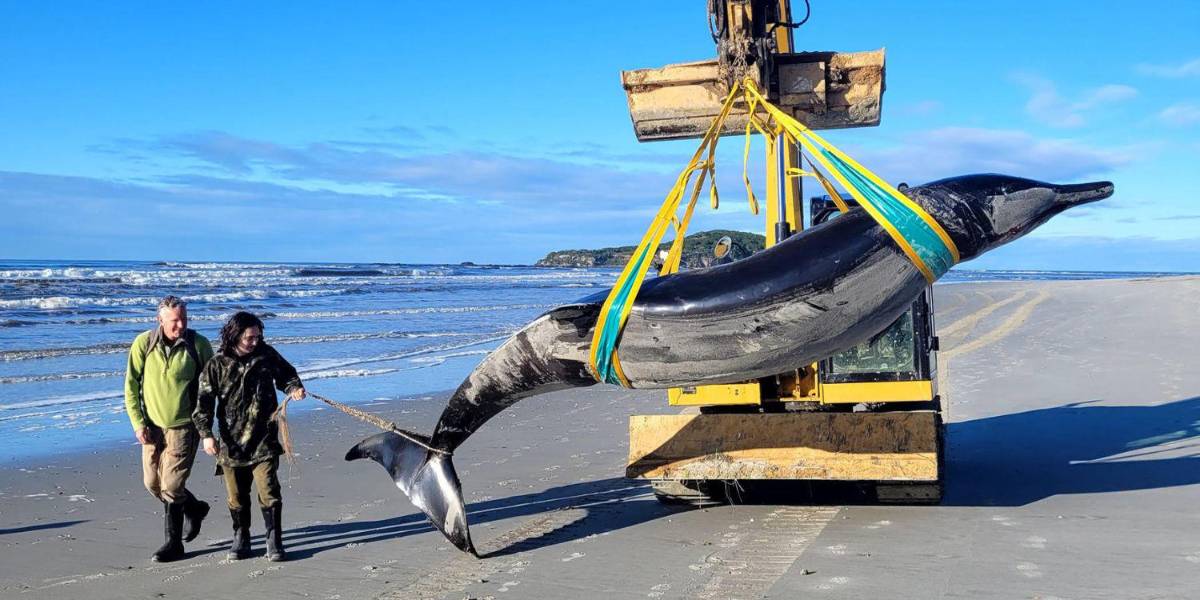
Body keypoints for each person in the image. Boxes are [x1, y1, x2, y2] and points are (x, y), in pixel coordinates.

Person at [194, 311, 306, 562]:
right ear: (235, 335)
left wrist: (294, 388)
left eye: (258, 336)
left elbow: (287, 375)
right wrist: (206, 435)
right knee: (236, 496)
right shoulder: (217, 364)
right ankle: (241, 537)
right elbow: (203, 402)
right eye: (250, 338)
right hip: (231, 443)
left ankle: (274, 541)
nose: (255, 341)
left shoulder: (266, 355)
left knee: (269, 490)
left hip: (264, 439)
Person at [123, 295, 215, 562]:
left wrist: (206, 429)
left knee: (172, 486)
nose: (181, 325)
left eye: (184, 319)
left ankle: (173, 544)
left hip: (184, 427)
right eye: (175, 320)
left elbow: (211, 389)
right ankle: (194, 508)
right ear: (160, 320)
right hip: (152, 428)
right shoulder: (144, 343)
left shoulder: (198, 345)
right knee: (152, 484)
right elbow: (131, 386)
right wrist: (138, 423)